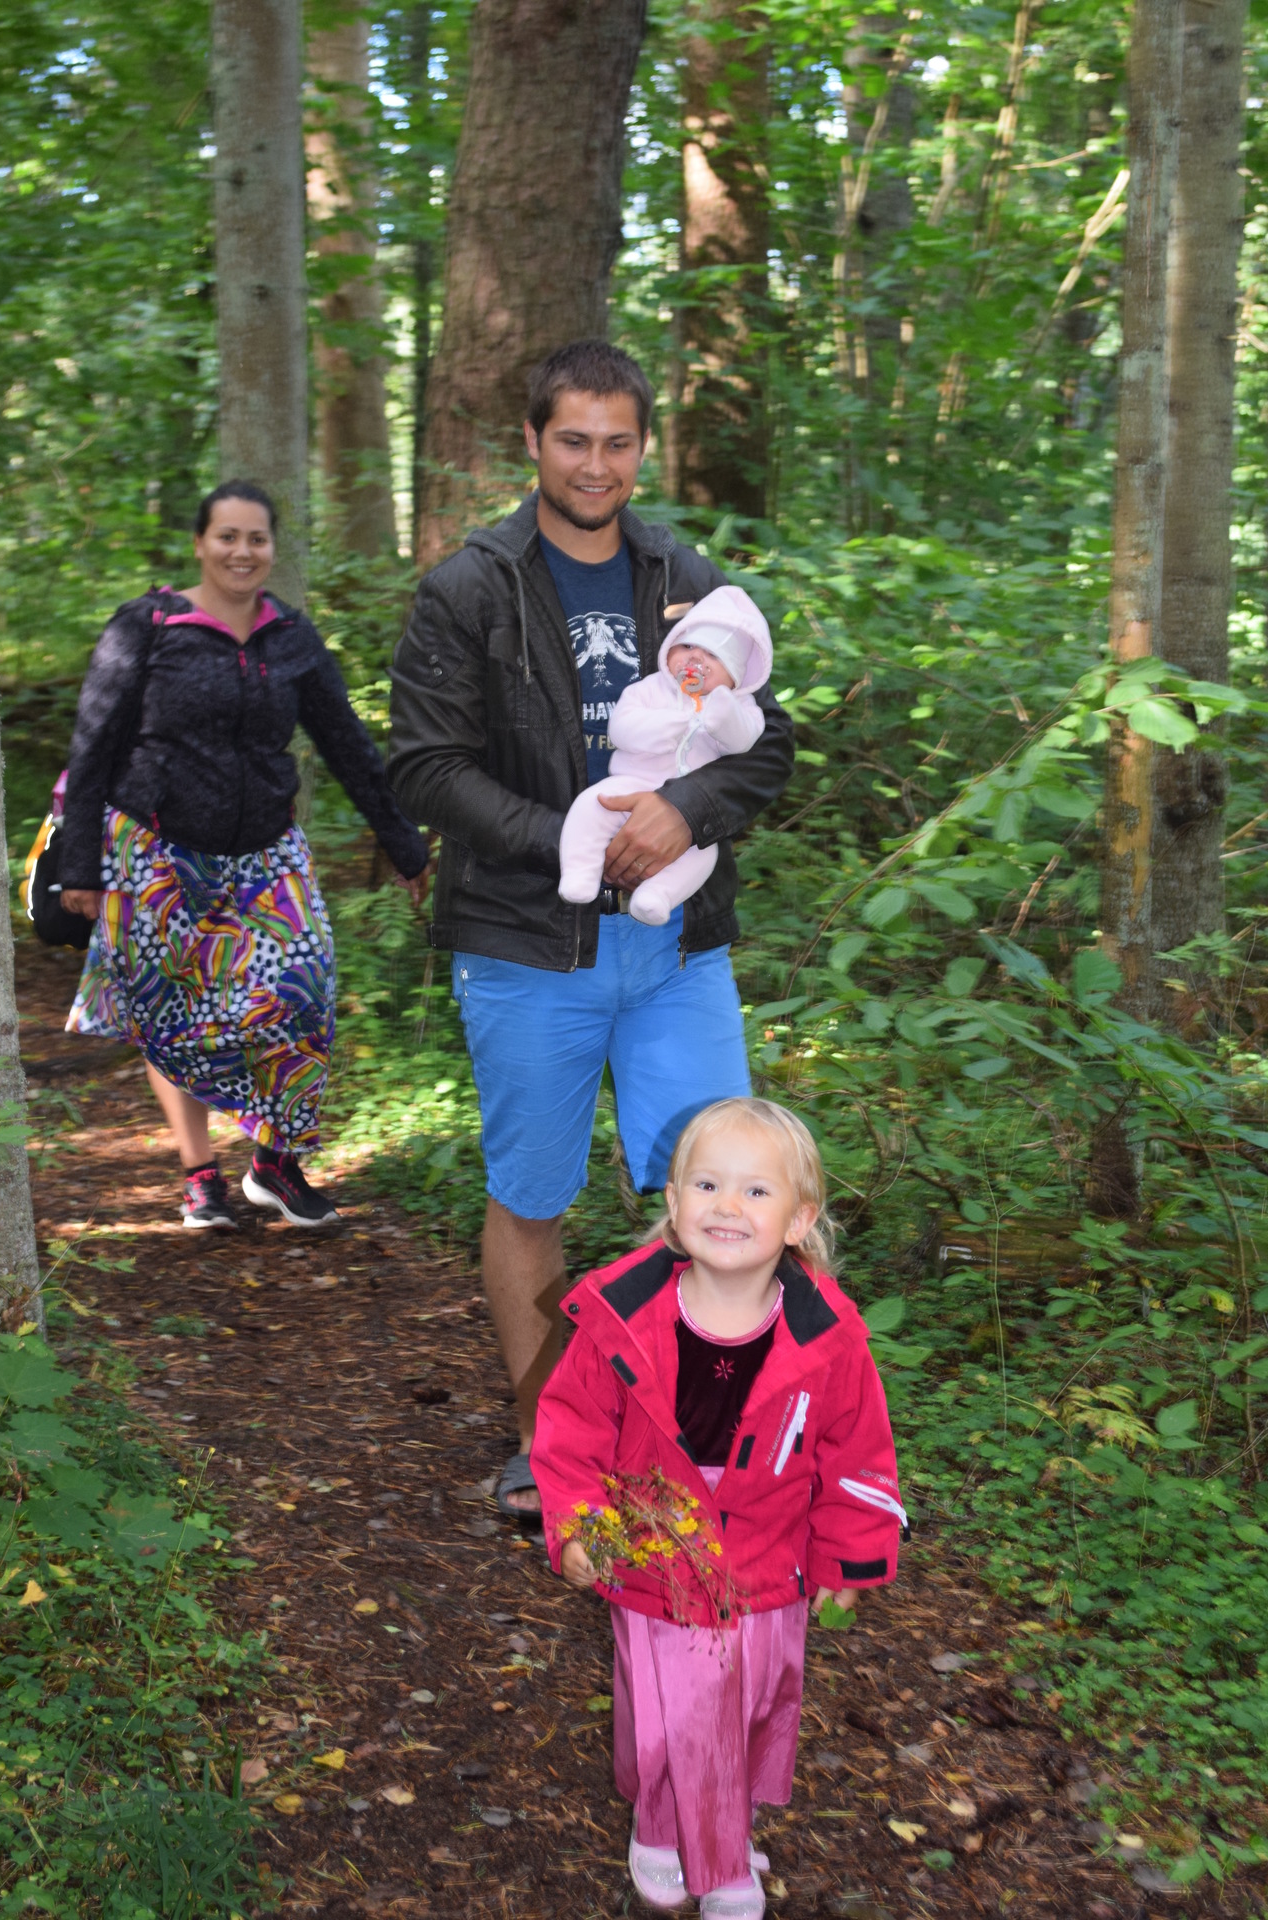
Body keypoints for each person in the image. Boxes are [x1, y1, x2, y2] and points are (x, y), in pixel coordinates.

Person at [388, 340, 794, 1519]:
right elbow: (424, 765)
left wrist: (685, 814)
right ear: (533, 441)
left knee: (727, 1192)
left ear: (644, 448)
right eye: (574, 440)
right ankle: (546, 1442)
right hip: (526, 944)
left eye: (619, 442)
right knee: (533, 1195)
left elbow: (767, 741)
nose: (596, 465)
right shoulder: (471, 587)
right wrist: (576, 839)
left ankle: (701, 1438)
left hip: (677, 952)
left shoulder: (687, 578)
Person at [531, 1097, 905, 1918]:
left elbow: (857, 1453)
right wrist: (580, 1528)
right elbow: (569, 1434)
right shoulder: (621, 1320)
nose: (726, 1206)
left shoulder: (825, 1337)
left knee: (745, 1703)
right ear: (673, 1203)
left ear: (799, 1220)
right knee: (683, 1708)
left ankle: (674, 1821)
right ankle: (716, 1860)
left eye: (755, 1191)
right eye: (706, 1185)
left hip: (768, 1552)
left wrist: (850, 1556)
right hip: (655, 1547)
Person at [59, 480, 428, 1231]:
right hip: (156, 853)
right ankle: (200, 1176)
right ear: (200, 543)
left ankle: (274, 1163)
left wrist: (403, 842)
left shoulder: (290, 637)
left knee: (303, 988)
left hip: (266, 852)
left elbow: (346, 744)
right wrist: (78, 864)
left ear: (272, 548)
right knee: (170, 1011)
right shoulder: (147, 626)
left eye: (256, 538)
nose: (242, 551)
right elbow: (93, 745)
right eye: (227, 536)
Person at [558, 584, 771, 926]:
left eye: (713, 655)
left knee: (704, 855)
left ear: (736, 676)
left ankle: (657, 896)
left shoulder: (741, 706)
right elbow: (622, 729)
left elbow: (743, 741)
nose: (695, 658)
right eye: (687, 645)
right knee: (590, 806)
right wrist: (675, 724)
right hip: (630, 785)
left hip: (688, 811)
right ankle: (579, 872)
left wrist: (723, 713)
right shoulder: (649, 689)